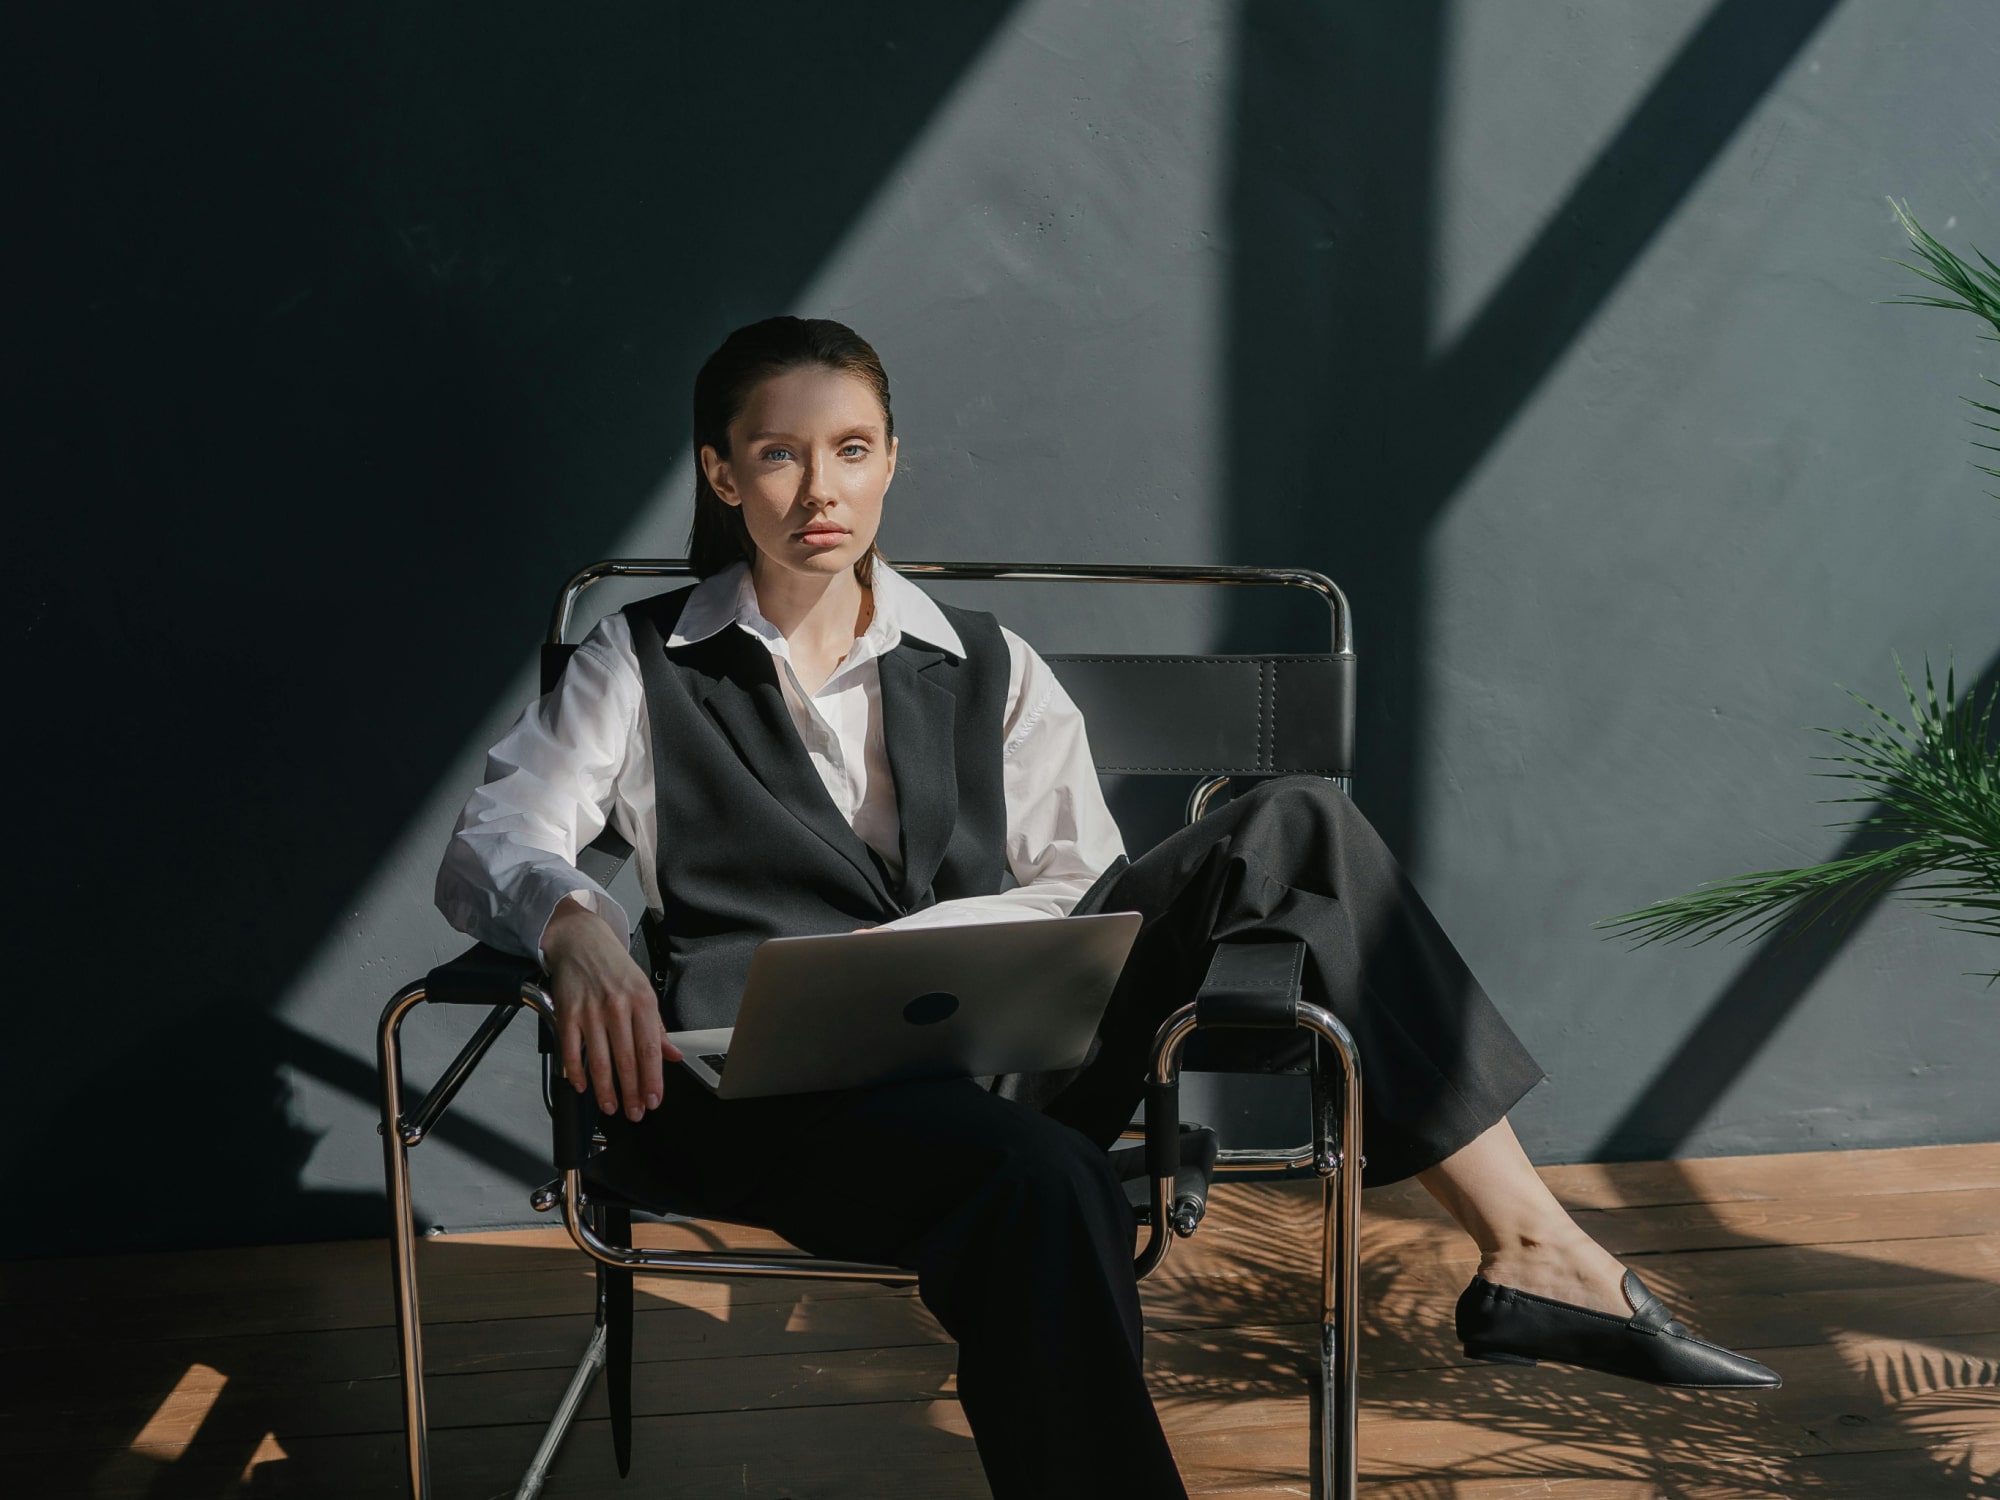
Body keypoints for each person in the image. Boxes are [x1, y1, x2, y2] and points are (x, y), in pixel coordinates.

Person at [436, 315, 1779, 1500]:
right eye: (779, 455)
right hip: (771, 1099)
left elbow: (1081, 887)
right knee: (1049, 1182)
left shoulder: (986, 661)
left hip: (997, 1047)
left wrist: (947, 952)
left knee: (1298, 825)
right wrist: (573, 923)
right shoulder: (640, 661)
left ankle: (1532, 1247)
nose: (820, 488)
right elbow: (495, 837)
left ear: (892, 461)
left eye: (851, 449)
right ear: (725, 475)